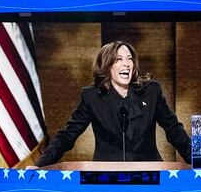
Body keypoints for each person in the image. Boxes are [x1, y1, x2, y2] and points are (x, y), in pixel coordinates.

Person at [34, 41, 192, 166]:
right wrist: (41, 164)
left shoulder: (151, 92)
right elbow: (68, 135)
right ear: (107, 66)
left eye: (130, 59)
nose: (127, 64)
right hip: (106, 179)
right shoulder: (92, 97)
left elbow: (174, 130)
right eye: (119, 59)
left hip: (149, 175)